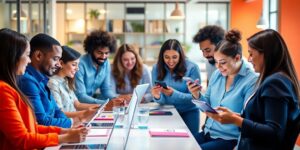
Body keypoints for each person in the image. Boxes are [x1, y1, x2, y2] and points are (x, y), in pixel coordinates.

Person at [205, 29, 300, 150]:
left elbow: (274, 132)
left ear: (265, 54)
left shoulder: (275, 83)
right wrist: (235, 116)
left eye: (251, 53)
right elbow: (261, 118)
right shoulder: (276, 79)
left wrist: (236, 120)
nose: (249, 59)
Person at [0, 28, 88, 149]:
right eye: (26, 55)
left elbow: (32, 127)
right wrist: (65, 137)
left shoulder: (12, 86)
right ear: (12, 57)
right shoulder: (4, 90)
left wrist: (64, 131)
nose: (29, 60)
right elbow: (22, 138)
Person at [187, 29, 258, 150]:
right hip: (208, 133)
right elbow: (207, 106)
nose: (218, 67)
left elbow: (248, 119)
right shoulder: (217, 75)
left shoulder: (251, 80)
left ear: (237, 58)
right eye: (216, 62)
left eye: (223, 62)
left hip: (229, 139)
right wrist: (196, 94)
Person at [17, 33, 88, 128]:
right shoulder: (27, 81)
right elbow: (42, 121)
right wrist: (71, 123)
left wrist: (71, 124)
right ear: (38, 56)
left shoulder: (44, 79)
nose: (59, 65)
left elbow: (57, 111)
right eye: (55, 59)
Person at [151, 39, 201, 137]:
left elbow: (196, 98)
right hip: (167, 111)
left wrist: (173, 94)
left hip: (189, 112)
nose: (170, 61)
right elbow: (160, 99)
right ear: (162, 56)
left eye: (174, 57)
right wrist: (157, 97)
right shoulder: (156, 68)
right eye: (166, 57)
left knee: (190, 144)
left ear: (180, 56)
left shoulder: (192, 68)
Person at [48, 46, 99, 118]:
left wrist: (98, 107)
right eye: (74, 64)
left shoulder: (66, 80)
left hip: (75, 122)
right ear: (61, 63)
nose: (77, 69)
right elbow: (59, 114)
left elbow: (77, 105)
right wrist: (85, 113)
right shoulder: (52, 83)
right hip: (67, 125)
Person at [75, 30, 123, 104]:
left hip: (90, 104)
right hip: (76, 105)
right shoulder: (80, 64)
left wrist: (116, 99)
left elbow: (105, 89)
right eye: (99, 53)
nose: (103, 57)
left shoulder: (106, 63)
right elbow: (80, 96)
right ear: (91, 50)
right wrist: (105, 103)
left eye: (106, 53)